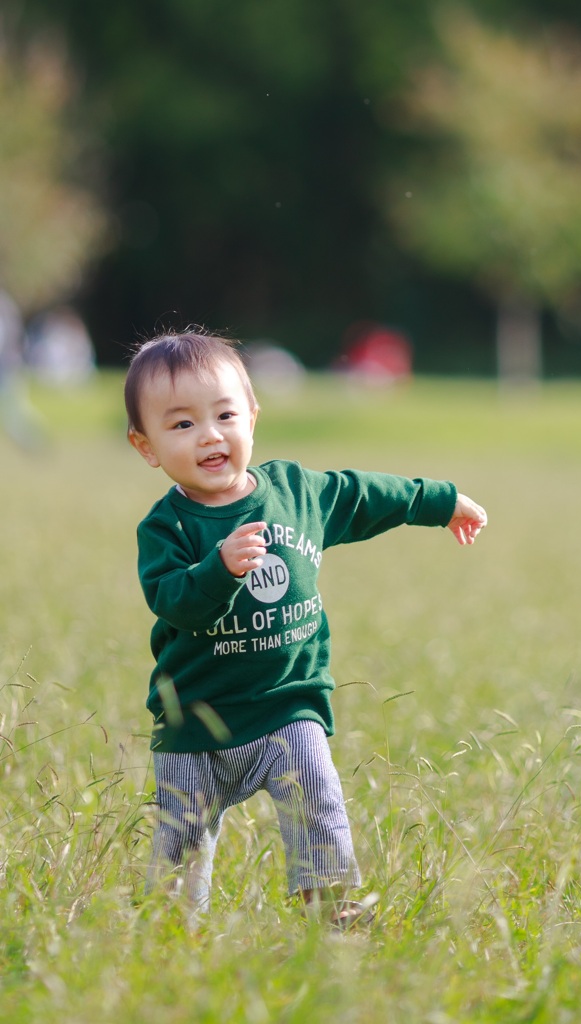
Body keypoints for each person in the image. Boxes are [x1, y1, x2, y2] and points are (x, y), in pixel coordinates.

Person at [125, 330, 487, 926]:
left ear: (252, 417)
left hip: (285, 708)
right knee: (180, 857)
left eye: (224, 414)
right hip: (195, 721)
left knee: (319, 808)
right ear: (147, 447)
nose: (210, 435)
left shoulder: (296, 493)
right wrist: (218, 569)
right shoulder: (166, 529)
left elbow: (366, 496)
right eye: (182, 425)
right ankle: (170, 938)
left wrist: (439, 501)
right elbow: (175, 603)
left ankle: (336, 917)